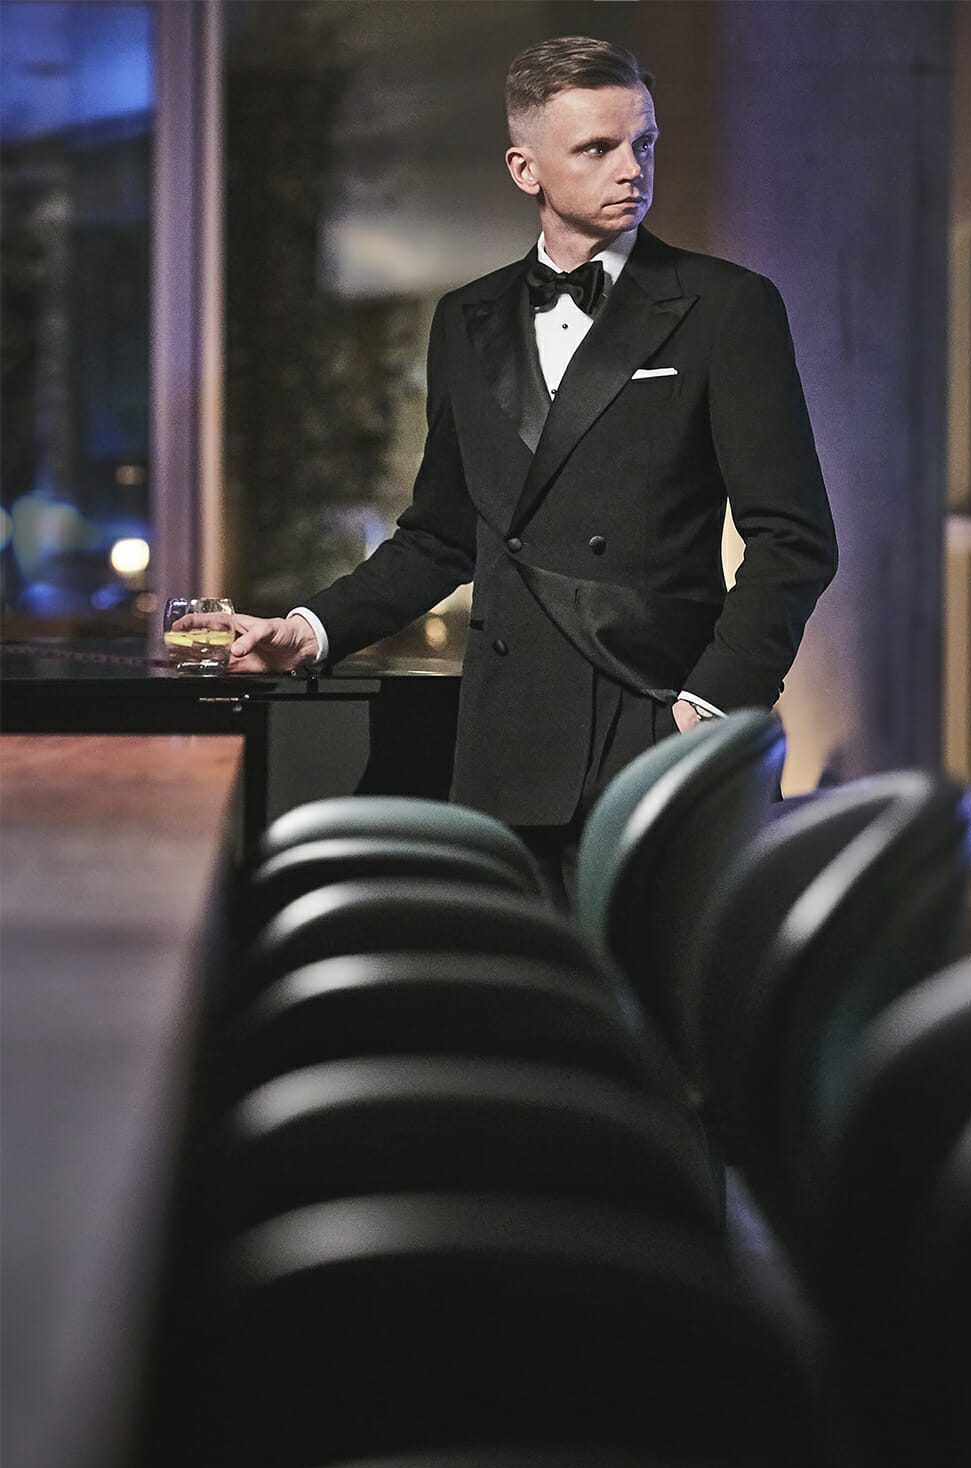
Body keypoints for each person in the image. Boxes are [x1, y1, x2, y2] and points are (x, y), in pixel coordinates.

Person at [189, 36, 837, 869]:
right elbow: (442, 534)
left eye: (643, 143)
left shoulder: (726, 307)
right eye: (598, 148)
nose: (631, 169)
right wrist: (310, 629)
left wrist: (709, 706)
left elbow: (793, 540)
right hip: (508, 744)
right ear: (525, 169)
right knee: (512, 957)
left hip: (658, 725)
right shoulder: (467, 319)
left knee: (660, 958)